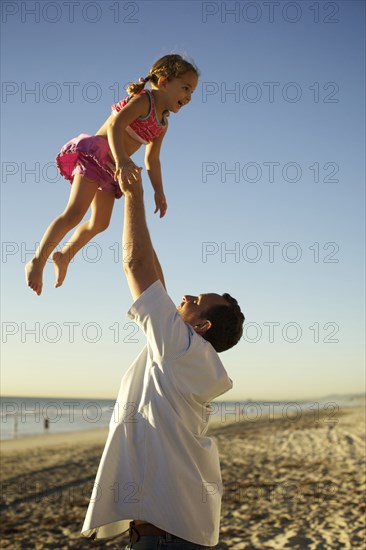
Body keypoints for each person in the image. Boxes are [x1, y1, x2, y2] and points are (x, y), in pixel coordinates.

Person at [81, 169, 245, 548]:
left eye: (196, 301)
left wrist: (135, 195)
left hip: (164, 539)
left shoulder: (180, 349)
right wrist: (131, 201)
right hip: (178, 532)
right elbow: (155, 276)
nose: (185, 297)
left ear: (201, 325)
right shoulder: (189, 356)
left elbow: (136, 266)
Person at [25, 54, 199, 295]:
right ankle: (37, 260)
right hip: (97, 156)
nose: (189, 97)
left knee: (100, 223)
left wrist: (159, 191)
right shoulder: (143, 101)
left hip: (112, 168)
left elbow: (152, 159)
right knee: (75, 212)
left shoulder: (163, 122)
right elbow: (116, 126)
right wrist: (123, 160)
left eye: (192, 92)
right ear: (163, 81)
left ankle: (64, 256)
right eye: (185, 88)